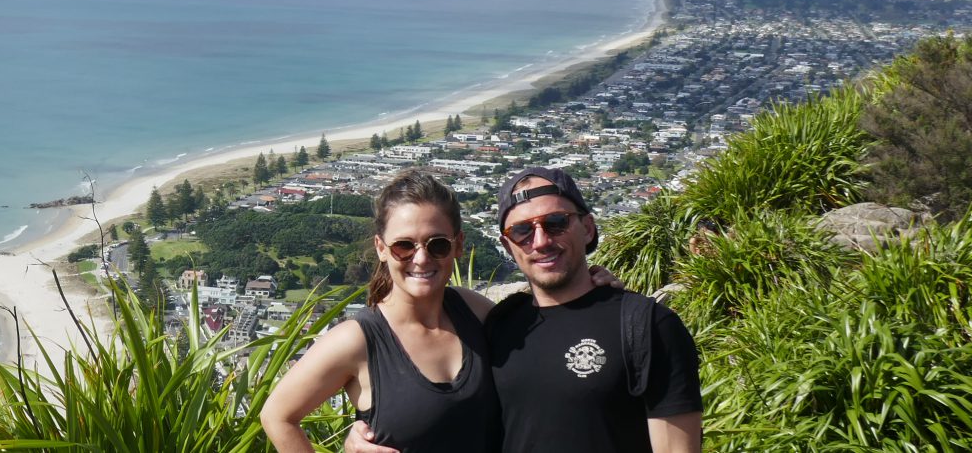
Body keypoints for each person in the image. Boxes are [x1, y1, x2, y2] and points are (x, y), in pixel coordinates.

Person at [348, 167, 703, 453]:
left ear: (587, 228)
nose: (541, 240)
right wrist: (366, 434)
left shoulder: (646, 325)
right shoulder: (500, 323)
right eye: (522, 231)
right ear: (508, 245)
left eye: (556, 222)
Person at [260, 169, 503, 452]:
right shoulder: (357, 340)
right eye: (404, 246)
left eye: (437, 245)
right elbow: (277, 416)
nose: (421, 259)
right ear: (381, 248)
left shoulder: (473, 310)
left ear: (458, 244)